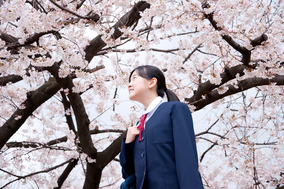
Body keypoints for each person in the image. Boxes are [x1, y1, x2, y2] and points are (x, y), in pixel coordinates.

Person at [119, 65, 204, 189]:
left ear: (152, 82)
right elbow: (128, 174)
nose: (129, 84)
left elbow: (186, 162)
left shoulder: (175, 109)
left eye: (134, 78)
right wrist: (128, 143)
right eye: (129, 81)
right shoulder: (139, 125)